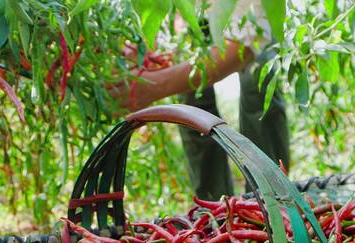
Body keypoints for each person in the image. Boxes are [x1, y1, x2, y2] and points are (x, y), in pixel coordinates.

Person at [107, 1, 289, 200]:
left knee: (259, 78)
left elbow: (249, 44)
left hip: (245, 11)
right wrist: (147, 43)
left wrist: (154, 86)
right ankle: (214, 207)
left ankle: (273, 197)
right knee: (191, 99)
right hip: (194, 11)